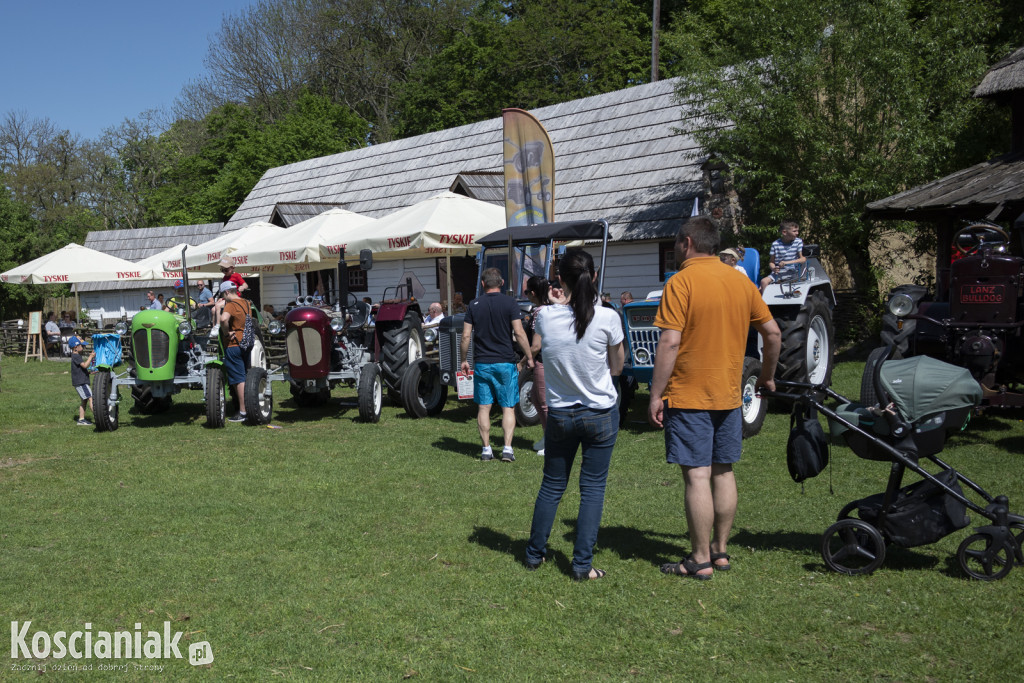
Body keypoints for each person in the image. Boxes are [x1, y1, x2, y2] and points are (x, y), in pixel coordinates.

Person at [649, 216, 781, 579]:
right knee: (724, 472)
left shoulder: (681, 282)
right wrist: (767, 376)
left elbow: (670, 341)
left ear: (687, 243)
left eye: (675, 243)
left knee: (697, 476)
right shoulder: (740, 282)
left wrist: (656, 394)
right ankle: (720, 552)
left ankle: (699, 559)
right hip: (729, 394)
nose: (675, 250)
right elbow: (773, 334)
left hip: (689, 394)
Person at [524, 249, 625, 581]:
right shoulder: (608, 317)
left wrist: (556, 304)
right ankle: (582, 565)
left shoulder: (545, 317)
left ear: (560, 280)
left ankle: (534, 555)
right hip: (600, 413)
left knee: (552, 486)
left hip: (561, 414)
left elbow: (543, 333)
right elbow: (617, 366)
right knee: (592, 489)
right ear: (593, 277)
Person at [460, 268, 533, 462]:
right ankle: (507, 449)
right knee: (508, 407)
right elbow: (519, 333)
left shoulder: (473, 305)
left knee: (484, 408)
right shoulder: (510, 302)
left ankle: (486, 449)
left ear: (483, 284)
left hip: (483, 363)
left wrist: (464, 359)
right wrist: (529, 356)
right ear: (501, 283)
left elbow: (466, 335)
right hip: (506, 362)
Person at [216, 281, 253, 423]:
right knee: (245, 374)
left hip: (233, 344)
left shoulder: (230, 304)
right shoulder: (246, 303)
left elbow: (224, 319)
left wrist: (226, 333)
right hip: (246, 343)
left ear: (226, 292)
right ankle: (249, 407)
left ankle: (243, 412)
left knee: (238, 379)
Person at [524, 276, 551, 455]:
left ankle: (553, 441)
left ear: (533, 293)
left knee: (543, 402)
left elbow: (536, 345)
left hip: (543, 359)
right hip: (550, 359)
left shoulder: (538, 312)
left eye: (526, 292)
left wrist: (524, 360)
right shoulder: (552, 308)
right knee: (535, 397)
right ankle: (547, 435)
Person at [760, 220, 806, 291]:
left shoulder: (798, 242)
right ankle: (765, 301)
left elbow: (803, 259)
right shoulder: (775, 244)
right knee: (764, 281)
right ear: (784, 232)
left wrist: (786, 263)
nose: (797, 233)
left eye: (797, 231)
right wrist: (773, 268)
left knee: (788, 284)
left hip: (793, 272)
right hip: (779, 273)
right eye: (794, 231)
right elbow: (771, 262)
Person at [68, 336, 95, 426]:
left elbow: (81, 370)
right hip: (81, 382)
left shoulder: (76, 356)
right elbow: (84, 365)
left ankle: (81, 419)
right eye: (81, 346)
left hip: (80, 381)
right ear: (76, 347)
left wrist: (89, 372)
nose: (83, 347)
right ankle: (99, 417)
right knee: (91, 398)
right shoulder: (76, 356)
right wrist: (91, 357)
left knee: (84, 400)